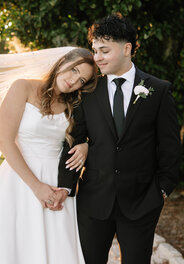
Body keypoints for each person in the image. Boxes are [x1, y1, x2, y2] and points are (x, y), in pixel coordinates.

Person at [57, 14, 181, 263]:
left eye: (104, 50)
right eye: (95, 50)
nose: (97, 57)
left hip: (142, 202)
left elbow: (170, 147)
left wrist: (162, 191)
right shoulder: (87, 92)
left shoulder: (157, 90)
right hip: (93, 202)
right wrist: (65, 186)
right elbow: (73, 139)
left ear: (127, 49)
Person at [0, 47, 97, 264]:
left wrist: (85, 146)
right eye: (73, 70)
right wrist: (37, 187)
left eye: (82, 80)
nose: (74, 81)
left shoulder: (73, 106)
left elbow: (86, 137)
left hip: (57, 185)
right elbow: (5, 142)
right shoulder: (23, 87)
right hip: (19, 181)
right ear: (62, 61)